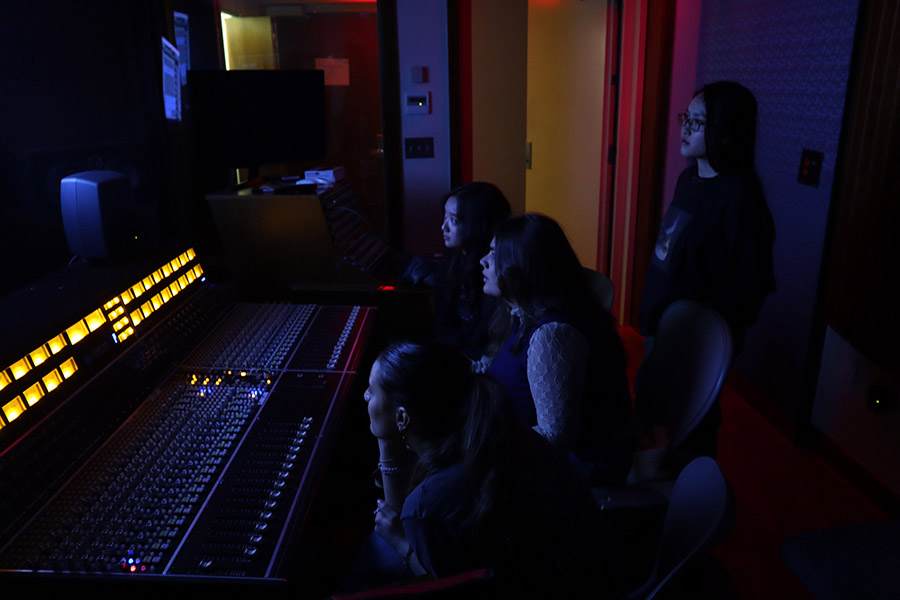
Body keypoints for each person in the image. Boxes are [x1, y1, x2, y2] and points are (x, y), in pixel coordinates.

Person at [357, 340, 611, 596]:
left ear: (403, 416)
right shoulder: (494, 432)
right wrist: (387, 437)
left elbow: (451, 584)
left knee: (370, 556)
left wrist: (402, 545)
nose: (365, 395)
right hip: (592, 571)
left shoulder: (427, 505)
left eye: (372, 389)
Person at [638, 80, 776, 456]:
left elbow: (749, 287)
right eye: (687, 118)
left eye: (697, 123)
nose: (685, 128)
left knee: (686, 432)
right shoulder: (689, 179)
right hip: (662, 326)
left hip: (694, 340)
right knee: (652, 419)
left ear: (725, 132)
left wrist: (698, 331)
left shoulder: (740, 199)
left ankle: (688, 488)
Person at [479, 213, 635, 485]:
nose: (483, 261)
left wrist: (482, 445)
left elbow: (555, 439)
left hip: (569, 475)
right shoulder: (521, 313)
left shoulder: (552, 336)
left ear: (521, 265)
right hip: (523, 453)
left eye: (494, 254)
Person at [399, 182, 511, 359]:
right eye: (445, 217)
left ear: (477, 224)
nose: (444, 227)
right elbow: (444, 328)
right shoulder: (452, 264)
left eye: (454, 220)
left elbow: (489, 340)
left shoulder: (494, 271)